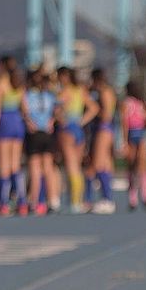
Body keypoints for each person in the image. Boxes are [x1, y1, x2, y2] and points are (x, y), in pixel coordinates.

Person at [0, 57, 27, 216]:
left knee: (3, 166)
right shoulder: (19, 84)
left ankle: (3, 203)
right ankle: (22, 202)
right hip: (17, 123)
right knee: (15, 165)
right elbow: (25, 108)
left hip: (5, 123)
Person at [55, 67, 98, 213]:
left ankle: (75, 202)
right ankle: (78, 200)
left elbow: (56, 110)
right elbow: (94, 108)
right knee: (77, 167)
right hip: (78, 130)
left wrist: (61, 118)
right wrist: (82, 121)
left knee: (71, 166)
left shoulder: (64, 92)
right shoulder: (81, 90)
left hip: (68, 130)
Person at [23, 69, 59, 215]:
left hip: (34, 134)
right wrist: (51, 121)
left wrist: (29, 123)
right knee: (49, 168)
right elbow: (56, 111)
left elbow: (25, 113)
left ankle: (34, 200)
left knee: (35, 169)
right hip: (47, 133)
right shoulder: (49, 95)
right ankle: (53, 200)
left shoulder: (27, 96)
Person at [87, 68, 119, 213]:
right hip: (106, 129)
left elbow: (106, 114)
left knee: (98, 163)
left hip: (104, 128)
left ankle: (107, 199)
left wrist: (96, 111)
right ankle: (106, 198)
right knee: (105, 164)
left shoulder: (105, 92)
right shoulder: (107, 91)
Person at [120, 80, 146, 211]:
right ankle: (135, 198)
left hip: (137, 135)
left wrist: (124, 141)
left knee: (138, 167)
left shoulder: (137, 104)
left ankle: (143, 196)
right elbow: (125, 122)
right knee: (134, 166)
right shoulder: (133, 103)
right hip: (135, 135)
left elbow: (125, 123)